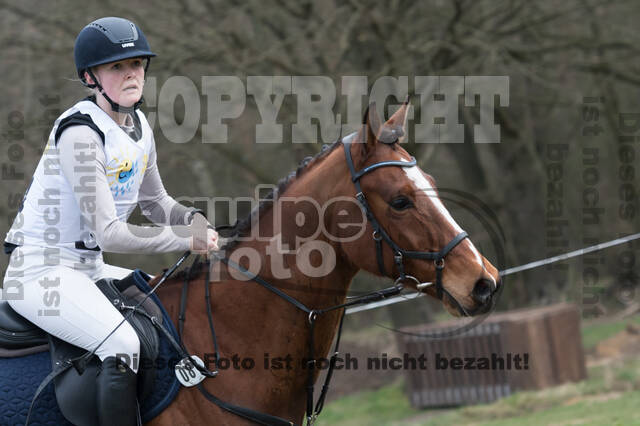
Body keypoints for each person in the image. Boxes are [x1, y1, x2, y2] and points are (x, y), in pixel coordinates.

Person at [1, 17, 218, 425]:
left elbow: (156, 202)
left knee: (167, 308)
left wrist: (192, 219)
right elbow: (109, 232)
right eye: (117, 66)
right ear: (90, 77)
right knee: (121, 344)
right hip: (41, 273)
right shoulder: (80, 134)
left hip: (87, 268)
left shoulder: (139, 128)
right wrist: (183, 239)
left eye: (136, 64)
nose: (131, 73)